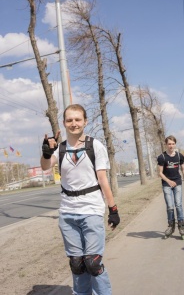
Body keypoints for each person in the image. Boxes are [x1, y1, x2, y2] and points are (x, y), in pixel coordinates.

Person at [40, 104, 120, 295]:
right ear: (64, 123)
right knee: (77, 264)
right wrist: (46, 152)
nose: (73, 123)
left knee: (92, 263)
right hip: (67, 213)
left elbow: (103, 180)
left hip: (91, 209)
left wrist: (113, 209)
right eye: (69, 120)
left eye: (77, 119)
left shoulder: (95, 146)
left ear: (85, 121)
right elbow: (44, 167)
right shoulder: (59, 149)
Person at [157, 135, 184, 239]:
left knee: (178, 204)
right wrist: (168, 181)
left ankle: (181, 225)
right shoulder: (162, 157)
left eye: (172, 144)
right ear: (166, 144)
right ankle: (171, 226)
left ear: (175, 144)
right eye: (169, 144)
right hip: (166, 184)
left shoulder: (179, 156)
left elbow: (183, 169)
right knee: (170, 206)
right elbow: (160, 173)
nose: (171, 146)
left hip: (177, 183)